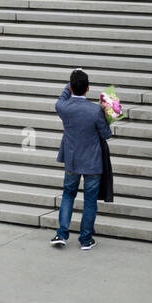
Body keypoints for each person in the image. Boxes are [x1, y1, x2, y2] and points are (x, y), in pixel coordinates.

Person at [50, 68, 112, 251]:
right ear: (88, 88)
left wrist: (71, 81)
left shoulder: (63, 107)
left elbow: (63, 95)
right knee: (90, 201)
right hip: (93, 162)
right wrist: (107, 114)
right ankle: (85, 239)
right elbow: (106, 134)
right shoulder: (95, 110)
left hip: (72, 160)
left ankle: (61, 234)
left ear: (70, 87)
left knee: (68, 195)